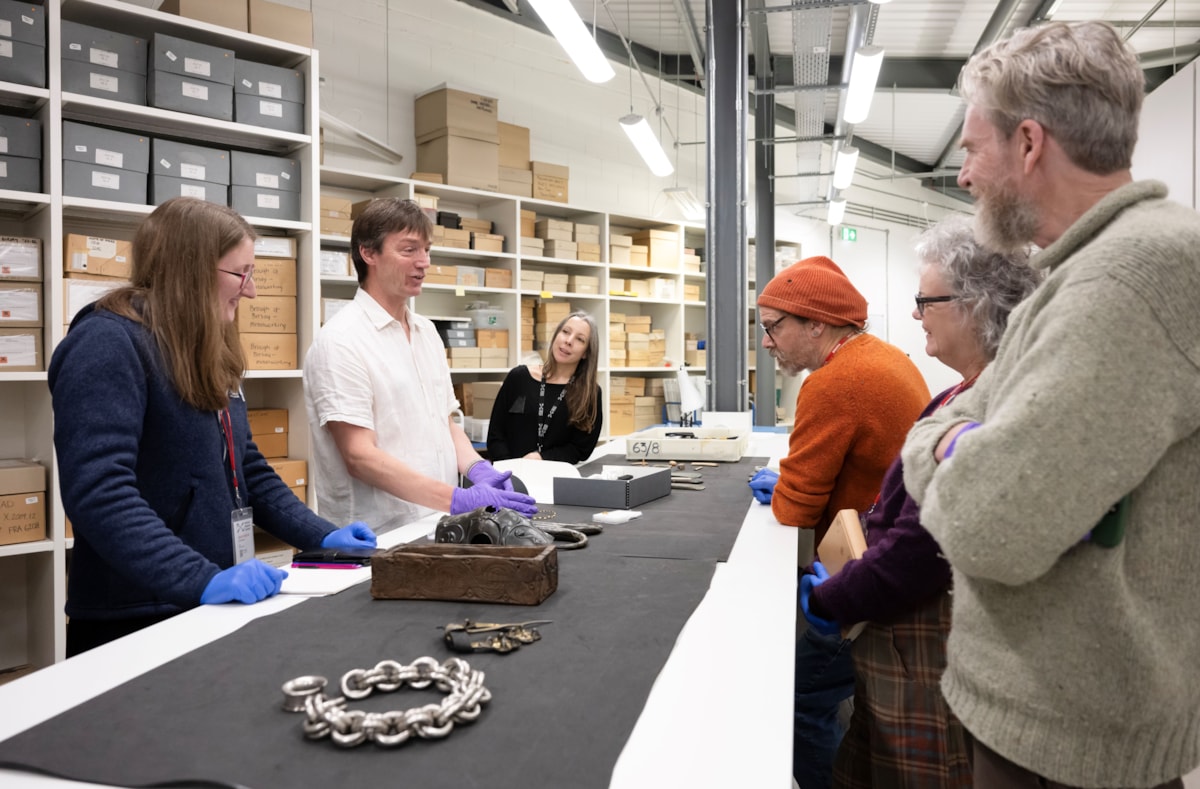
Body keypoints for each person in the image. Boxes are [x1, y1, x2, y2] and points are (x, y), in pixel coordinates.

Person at [899, 21, 1200, 789]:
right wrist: (960, 442)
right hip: (1046, 724)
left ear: (1028, 143)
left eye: (970, 150)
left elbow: (990, 521)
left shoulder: (1130, 279)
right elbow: (942, 426)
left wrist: (955, 449)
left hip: (1072, 746)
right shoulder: (1077, 275)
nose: (964, 176)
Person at [48, 198, 376, 657]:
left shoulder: (203, 345)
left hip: (204, 600)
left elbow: (246, 469)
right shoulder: (106, 345)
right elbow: (100, 493)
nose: (252, 291)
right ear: (191, 269)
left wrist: (320, 535)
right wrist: (199, 577)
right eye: (241, 273)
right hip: (134, 616)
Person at [800, 216, 1041, 787]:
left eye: (923, 300)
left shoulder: (990, 404)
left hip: (923, 649)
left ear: (975, 304)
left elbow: (923, 545)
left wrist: (836, 594)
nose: (914, 314)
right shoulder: (960, 392)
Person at [747, 255, 930, 789]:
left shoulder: (835, 382)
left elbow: (794, 508)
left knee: (797, 696)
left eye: (774, 327)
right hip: (890, 559)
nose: (766, 342)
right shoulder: (883, 357)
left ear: (816, 324)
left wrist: (786, 487)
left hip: (865, 575)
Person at [304, 197, 536, 530]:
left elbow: (444, 422)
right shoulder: (340, 341)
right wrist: (459, 498)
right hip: (377, 537)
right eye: (409, 250)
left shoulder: (426, 332)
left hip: (437, 520)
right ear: (368, 253)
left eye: (426, 250)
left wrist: (476, 469)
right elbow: (359, 457)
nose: (424, 262)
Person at [486, 311, 603, 463]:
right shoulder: (519, 377)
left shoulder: (589, 393)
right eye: (565, 332)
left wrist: (543, 458)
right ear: (556, 336)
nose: (568, 341)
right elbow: (496, 435)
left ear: (586, 353)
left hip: (555, 478)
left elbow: (580, 449)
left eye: (580, 339)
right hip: (509, 477)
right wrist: (511, 470)